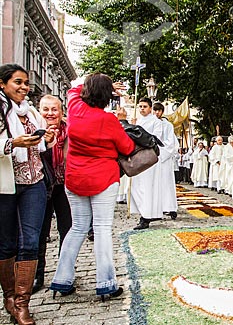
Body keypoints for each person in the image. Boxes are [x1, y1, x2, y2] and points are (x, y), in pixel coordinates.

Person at [50, 73, 134, 303]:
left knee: (77, 228)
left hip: (75, 178)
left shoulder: (74, 108)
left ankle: (62, 279)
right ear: (108, 96)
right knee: (102, 228)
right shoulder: (108, 120)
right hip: (102, 179)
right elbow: (126, 147)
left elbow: (74, 87)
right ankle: (106, 283)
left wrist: (92, 82)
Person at [0, 64, 56, 325]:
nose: (23, 88)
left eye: (25, 83)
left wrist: (48, 138)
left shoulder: (31, 112)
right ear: (3, 84)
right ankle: (9, 298)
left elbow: (42, 144)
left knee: (31, 241)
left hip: (34, 181)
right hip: (6, 183)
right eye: (17, 82)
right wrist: (13, 143)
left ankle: (23, 304)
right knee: (7, 244)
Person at [33, 95, 73, 294]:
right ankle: (37, 274)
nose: (50, 113)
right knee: (41, 231)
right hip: (41, 185)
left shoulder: (69, 130)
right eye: (46, 109)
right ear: (39, 111)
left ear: (61, 112)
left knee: (67, 230)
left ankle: (64, 274)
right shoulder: (33, 129)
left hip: (64, 185)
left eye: (54, 109)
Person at [130, 97, 164, 230]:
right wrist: (132, 127)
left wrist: (137, 130)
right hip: (137, 157)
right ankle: (142, 212)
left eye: (144, 106)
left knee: (147, 187)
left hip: (149, 157)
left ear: (150, 108)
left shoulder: (156, 122)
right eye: (140, 106)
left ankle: (146, 217)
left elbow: (155, 139)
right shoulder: (137, 121)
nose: (142, 109)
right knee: (137, 187)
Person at [152, 102, 178, 219]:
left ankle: (170, 207)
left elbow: (170, 142)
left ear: (162, 112)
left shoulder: (168, 125)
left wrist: (161, 153)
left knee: (167, 183)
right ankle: (157, 208)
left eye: (159, 110)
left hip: (164, 158)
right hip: (153, 158)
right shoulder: (151, 123)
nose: (157, 113)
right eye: (155, 110)